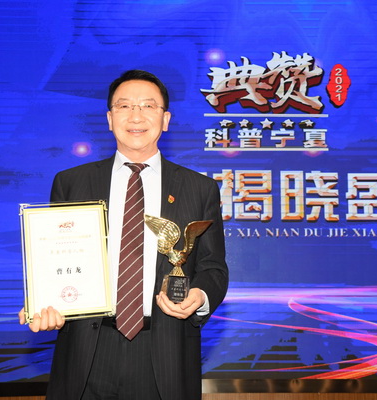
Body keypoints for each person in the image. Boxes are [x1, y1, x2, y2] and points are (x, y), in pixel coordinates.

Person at [18, 69, 229, 400]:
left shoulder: (199, 188)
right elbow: (55, 259)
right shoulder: (72, 182)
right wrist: (44, 303)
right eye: (124, 106)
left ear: (166, 119)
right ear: (109, 118)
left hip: (165, 350)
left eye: (148, 106)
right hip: (86, 350)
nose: (136, 116)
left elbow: (213, 267)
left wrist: (199, 296)